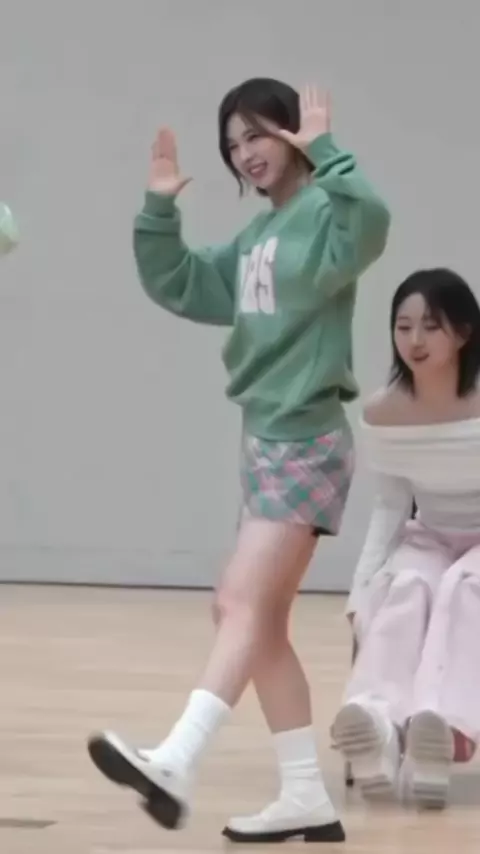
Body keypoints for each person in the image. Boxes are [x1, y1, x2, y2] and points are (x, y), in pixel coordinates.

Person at [86, 77, 390, 841]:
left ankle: (175, 761)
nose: (245, 153)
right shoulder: (258, 237)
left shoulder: (324, 217)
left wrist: (330, 154)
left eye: (257, 134)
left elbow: (371, 223)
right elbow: (184, 282)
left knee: (239, 604)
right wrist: (160, 211)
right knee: (258, 620)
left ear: (291, 132)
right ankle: (305, 796)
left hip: (307, 439)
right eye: (233, 144)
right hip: (263, 441)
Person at [331, 268, 480, 811]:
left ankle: (440, 726)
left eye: (431, 326)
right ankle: (375, 724)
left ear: (462, 333)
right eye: (403, 326)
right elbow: (391, 505)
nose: (414, 339)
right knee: (407, 585)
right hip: (430, 534)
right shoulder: (384, 411)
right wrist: (360, 589)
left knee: (465, 587)